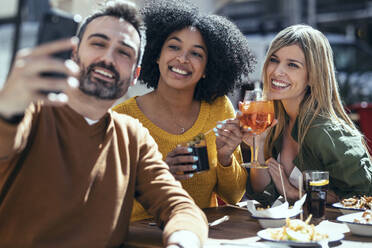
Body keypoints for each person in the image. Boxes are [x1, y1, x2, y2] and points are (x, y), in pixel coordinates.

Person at [0, 1, 208, 247]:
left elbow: (179, 206)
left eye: (124, 52)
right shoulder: (27, 112)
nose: (108, 58)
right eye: (98, 43)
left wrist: (182, 241)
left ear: (134, 75)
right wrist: (7, 108)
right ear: (73, 54)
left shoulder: (132, 137)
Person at [113, 0, 255, 221]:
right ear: (156, 54)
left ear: (208, 68)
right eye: (174, 47)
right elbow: (110, 203)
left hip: (202, 237)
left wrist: (225, 158)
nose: (182, 58)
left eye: (196, 53)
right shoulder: (122, 118)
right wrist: (160, 176)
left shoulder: (219, 109)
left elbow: (233, 196)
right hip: (141, 239)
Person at [244, 24, 372, 207]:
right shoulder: (276, 123)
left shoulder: (325, 132)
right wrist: (258, 146)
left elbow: (365, 197)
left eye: (292, 65)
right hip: (288, 232)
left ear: (313, 76)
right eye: (274, 60)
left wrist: (294, 193)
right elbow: (264, 196)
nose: (277, 71)